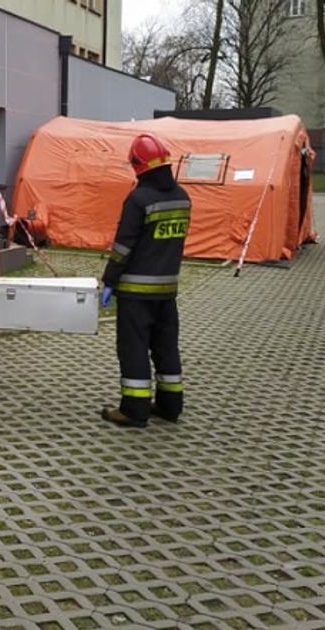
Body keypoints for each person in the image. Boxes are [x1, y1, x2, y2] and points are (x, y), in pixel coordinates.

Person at [99, 133, 191, 428]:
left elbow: (124, 246)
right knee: (166, 347)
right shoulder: (182, 198)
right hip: (167, 290)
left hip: (136, 292)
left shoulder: (139, 199)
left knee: (133, 348)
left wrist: (109, 281)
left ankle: (134, 410)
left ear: (138, 165)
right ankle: (169, 406)